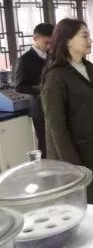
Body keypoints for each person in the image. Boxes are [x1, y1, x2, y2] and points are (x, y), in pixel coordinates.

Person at [41, 19, 93, 205]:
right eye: (85, 36)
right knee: (80, 203)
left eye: (89, 36)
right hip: (77, 153)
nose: (90, 40)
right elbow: (56, 127)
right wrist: (72, 168)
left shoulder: (91, 69)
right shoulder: (56, 76)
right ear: (67, 40)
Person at [14, 23, 54, 158]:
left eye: (51, 43)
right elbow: (19, 86)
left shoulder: (52, 57)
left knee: (58, 140)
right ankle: (47, 168)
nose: (49, 46)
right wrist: (41, 89)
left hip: (55, 103)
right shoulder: (24, 60)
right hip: (39, 107)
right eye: (46, 43)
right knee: (45, 141)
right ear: (35, 38)